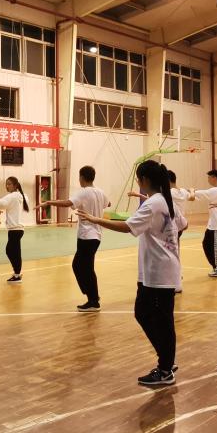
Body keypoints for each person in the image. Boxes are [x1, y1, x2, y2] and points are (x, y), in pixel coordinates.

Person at [76, 160, 183, 387]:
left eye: (138, 179)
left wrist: (95, 219)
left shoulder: (153, 203)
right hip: (162, 269)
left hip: (158, 271)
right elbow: (184, 224)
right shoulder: (165, 200)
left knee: (152, 317)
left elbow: (127, 227)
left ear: (144, 179)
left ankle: (165, 368)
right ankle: (166, 360)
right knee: (155, 317)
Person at [40, 165, 111, 312]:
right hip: (96, 236)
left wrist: (48, 202)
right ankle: (93, 297)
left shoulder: (84, 192)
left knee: (79, 266)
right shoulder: (100, 192)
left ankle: (93, 300)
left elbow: (67, 203)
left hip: (87, 236)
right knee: (86, 267)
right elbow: (108, 203)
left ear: (82, 177)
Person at [0, 176, 29, 283]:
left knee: (11, 251)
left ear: (15, 185)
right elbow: (6, 205)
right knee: (15, 252)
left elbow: (0, 203)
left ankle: (17, 275)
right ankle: (17, 273)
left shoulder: (12, 196)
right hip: (18, 230)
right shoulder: (23, 196)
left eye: (9, 184)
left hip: (15, 230)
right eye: (6, 184)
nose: (7, 186)